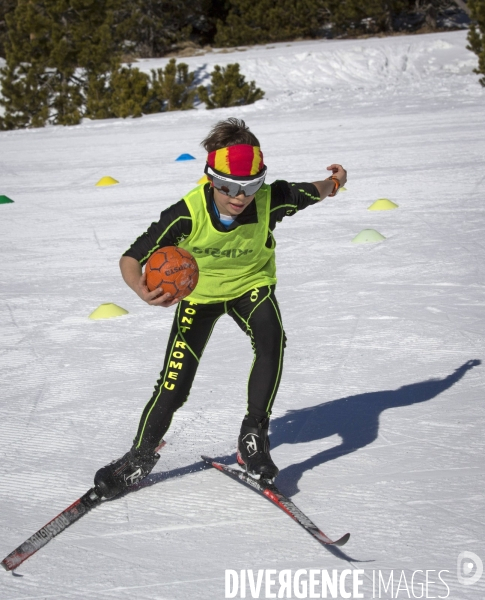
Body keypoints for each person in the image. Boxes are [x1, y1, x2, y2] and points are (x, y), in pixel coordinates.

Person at [94, 118, 347, 499]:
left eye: (250, 186)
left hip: (251, 287)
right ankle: (138, 459)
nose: (239, 196)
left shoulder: (271, 199)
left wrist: (336, 181)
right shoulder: (186, 213)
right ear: (211, 178)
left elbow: (315, 190)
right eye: (228, 186)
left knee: (272, 340)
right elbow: (131, 257)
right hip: (199, 298)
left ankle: (253, 436)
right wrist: (140, 288)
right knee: (174, 386)